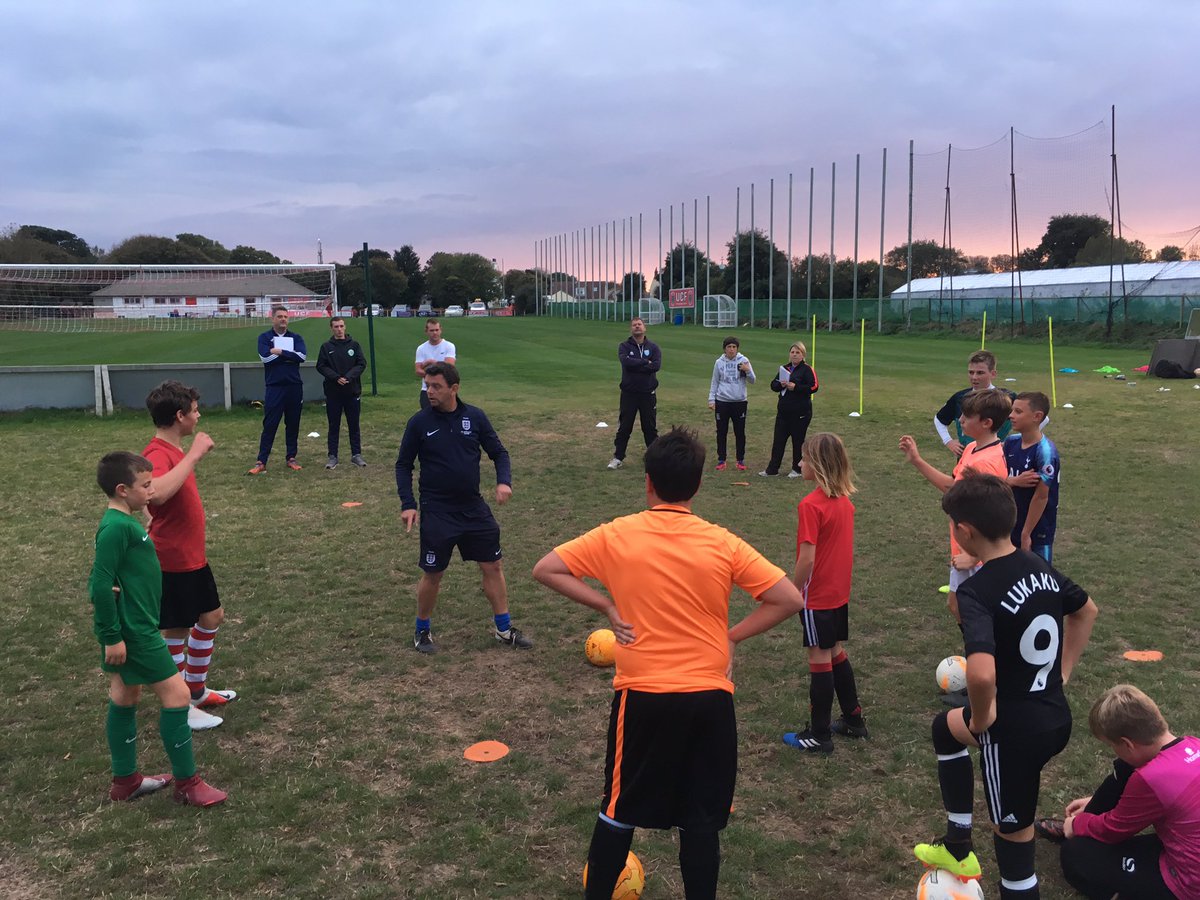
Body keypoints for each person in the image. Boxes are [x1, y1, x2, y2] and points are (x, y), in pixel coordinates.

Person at [532, 426, 805, 900]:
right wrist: (731, 636)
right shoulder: (722, 542)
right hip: (709, 699)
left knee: (618, 809)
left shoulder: (617, 534)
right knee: (701, 820)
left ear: (648, 483)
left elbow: (546, 569)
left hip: (643, 697)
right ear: (697, 486)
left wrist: (606, 608)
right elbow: (787, 598)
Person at [912, 473, 1098, 899]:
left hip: (1015, 733)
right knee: (945, 729)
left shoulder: (976, 592)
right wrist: (1062, 671)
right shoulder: (1038, 565)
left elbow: (979, 674)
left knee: (1014, 841)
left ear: (965, 532)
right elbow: (1087, 610)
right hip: (1054, 714)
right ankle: (958, 844)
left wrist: (982, 717)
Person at [89, 452, 227, 807]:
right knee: (178, 696)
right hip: (135, 631)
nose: (151, 491)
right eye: (145, 486)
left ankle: (126, 781)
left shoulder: (126, 523)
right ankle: (188, 782)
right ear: (122, 490)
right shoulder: (116, 528)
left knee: (125, 694)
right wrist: (112, 636)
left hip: (136, 624)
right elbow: (100, 584)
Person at [395, 362, 531, 653]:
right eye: (427, 386)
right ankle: (422, 630)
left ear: (454, 388)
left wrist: (503, 482)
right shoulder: (419, 422)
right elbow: (404, 464)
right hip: (437, 510)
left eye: (436, 386)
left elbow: (499, 453)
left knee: (493, 565)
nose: (429, 391)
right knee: (434, 573)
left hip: (473, 508)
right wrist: (408, 504)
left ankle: (504, 629)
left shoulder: (475, 418)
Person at [1037, 684, 1199, 900]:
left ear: (1127, 743)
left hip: (1189, 884)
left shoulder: (1151, 777)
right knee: (1126, 768)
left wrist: (1077, 824)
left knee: (1076, 853)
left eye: (1113, 746)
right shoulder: (1192, 744)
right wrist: (1095, 802)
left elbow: (1114, 829)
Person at [143, 381, 236, 732]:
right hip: (173, 559)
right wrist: (195, 454)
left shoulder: (172, 451)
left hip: (191, 554)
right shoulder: (157, 453)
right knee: (176, 629)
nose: (199, 416)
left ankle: (195, 691)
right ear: (179, 416)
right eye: (195, 410)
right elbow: (156, 495)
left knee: (211, 615)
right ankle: (179, 703)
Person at [782, 433, 867, 753]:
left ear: (816, 465)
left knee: (819, 658)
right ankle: (853, 720)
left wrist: (792, 592)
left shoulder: (810, 505)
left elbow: (807, 558)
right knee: (834, 652)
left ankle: (819, 735)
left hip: (816, 596)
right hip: (838, 593)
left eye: (803, 458)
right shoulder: (844, 500)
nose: (799, 463)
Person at [900, 389, 1013, 631]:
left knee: (976, 610)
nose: (959, 421)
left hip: (978, 550)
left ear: (986, 423)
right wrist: (917, 460)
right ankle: (979, 653)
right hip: (965, 545)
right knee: (957, 605)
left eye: (966, 417)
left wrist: (975, 556)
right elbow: (953, 486)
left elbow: (991, 513)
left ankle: (985, 656)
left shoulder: (987, 462)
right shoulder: (972, 448)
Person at [248, 305, 307, 474]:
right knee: (270, 424)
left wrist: (280, 351)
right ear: (272, 318)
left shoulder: (296, 337)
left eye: (285, 317)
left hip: (294, 386)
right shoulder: (265, 337)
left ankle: (291, 457)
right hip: (275, 387)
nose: (283, 319)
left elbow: (302, 356)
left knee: (293, 423)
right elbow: (266, 358)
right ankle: (262, 460)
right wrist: (290, 356)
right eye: (280, 316)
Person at [1003, 392, 1060, 561]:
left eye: (1018, 412)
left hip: (1037, 528)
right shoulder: (1011, 442)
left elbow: (1041, 496)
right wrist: (1012, 481)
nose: (1011, 416)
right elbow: (998, 476)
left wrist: (1026, 533)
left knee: (1039, 577)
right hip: (1010, 522)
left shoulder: (1045, 452)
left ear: (1037, 416)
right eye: (1012, 410)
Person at [935, 350, 1021, 457]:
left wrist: (1015, 442)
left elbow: (1039, 421)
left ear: (993, 374)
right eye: (971, 372)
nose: (974, 377)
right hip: (965, 462)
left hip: (997, 461)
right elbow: (939, 419)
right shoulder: (960, 398)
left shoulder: (1007, 398)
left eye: (980, 373)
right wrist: (948, 441)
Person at [607, 317, 661, 470]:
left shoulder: (654, 347)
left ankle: (654, 458)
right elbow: (626, 363)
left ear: (645, 328)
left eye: (639, 324)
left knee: (649, 427)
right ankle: (618, 457)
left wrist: (638, 362)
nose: (637, 327)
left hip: (648, 393)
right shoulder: (624, 346)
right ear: (631, 329)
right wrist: (645, 362)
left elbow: (656, 366)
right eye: (634, 325)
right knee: (624, 427)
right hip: (629, 394)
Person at [759, 341, 818, 478]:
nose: (795, 355)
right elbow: (773, 385)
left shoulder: (807, 369)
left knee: (798, 441)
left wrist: (795, 387)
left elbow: (814, 386)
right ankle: (772, 469)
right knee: (778, 440)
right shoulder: (785, 368)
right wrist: (781, 384)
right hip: (783, 413)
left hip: (801, 413)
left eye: (798, 352)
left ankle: (796, 469)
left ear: (803, 355)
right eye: (792, 352)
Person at [316, 316, 367, 469]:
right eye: (336, 327)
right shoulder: (326, 347)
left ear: (345, 327)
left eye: (341, 326)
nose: (339, 329)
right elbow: (321, 366)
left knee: (354, 425)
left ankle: (356, 455)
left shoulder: (354, 345)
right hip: (333, 393)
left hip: (352, 391)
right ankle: (333, 456)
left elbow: (361, 363)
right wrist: (336, 377)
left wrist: (348, 377)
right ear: (331, 328)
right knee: (334, 425)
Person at [707, 336, 756, 471]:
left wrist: (747, 370)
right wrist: (711, 399)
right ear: (725, 349)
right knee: (721, 432)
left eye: (734, 347)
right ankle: (721, 460)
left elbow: (753, 380)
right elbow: (715, 381)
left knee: (739, 432)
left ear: (737, 349)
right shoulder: (719, 362)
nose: (731, 350)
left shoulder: (744, 361)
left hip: (739, 402)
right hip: (722, 401)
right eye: (729, 347)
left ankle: (740, 460)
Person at [414, 318, 456, 410]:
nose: (435, 333)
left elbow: (449, 368)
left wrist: (431, 362)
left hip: (445, 390)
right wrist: (435, 376)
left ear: (441, 330)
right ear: (426, 332)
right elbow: (418, 370)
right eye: (432, 330)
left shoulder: (449, 346)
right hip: (427, 390)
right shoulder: (421, 348)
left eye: (437, 330)